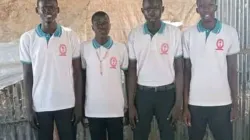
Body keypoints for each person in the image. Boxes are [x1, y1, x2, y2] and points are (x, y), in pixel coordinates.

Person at [19, 0, 82, 140]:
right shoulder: (27, 39)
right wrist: (29, 108)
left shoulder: (70, 35)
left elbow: (77, 73)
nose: (48, 11)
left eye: (52, 7)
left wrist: (78, 105)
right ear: (37, 10)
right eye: (44, 8)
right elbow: (27, 75)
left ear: (58, 10)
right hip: (40, 104)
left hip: (67, 103)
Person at [182, 0, 240, 140]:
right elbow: (186, 73)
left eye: (210, 5)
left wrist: (235, 104)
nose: (206, 9)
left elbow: (232, 71)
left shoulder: (230, 33)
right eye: (201, 6)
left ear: (216, 7)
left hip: (222, 103)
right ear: (197, 9)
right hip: (195, 103)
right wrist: (185, 107)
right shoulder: (188, 35)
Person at [127, 0, 184, 139]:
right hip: (142, 95)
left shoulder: (174, 33)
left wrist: (178, 103)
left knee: (168, 135)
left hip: (167, 94)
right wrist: (130, 105)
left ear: (162, 9)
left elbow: (179, 70)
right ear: (142, 11)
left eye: (156, 8)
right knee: (139, 135)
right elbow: (132, 71)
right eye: (148, 9)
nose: (152, 12)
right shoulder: (134, 35)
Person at [80, 11, 128, 140]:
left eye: (105, 23)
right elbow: (82, 79)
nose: (102, 26)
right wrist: (81, 106)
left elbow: (128, 77)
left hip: (116, 109)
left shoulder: (121, 48)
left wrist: (128, 104)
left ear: (110, 25)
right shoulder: (84, 48)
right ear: (92, 27)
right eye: (98, 23)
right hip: (93, 109)